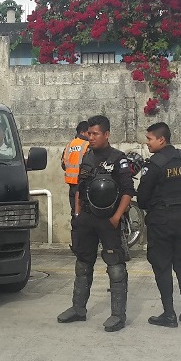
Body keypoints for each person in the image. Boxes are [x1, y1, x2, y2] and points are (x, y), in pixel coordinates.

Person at [57, 114, 135, 332]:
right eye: (89, 133)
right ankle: (78, 309)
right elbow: (79, 189)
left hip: (108, 220)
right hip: (87, 220)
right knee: (83, 263)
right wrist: (78, 214)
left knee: (115, 267)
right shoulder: (87, 157)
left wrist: (117, 217)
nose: (90, 137)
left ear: (106, 134)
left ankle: (118, 315)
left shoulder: (118, 158)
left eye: (95, 134)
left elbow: (128, 191)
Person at [136, 122, 181, 327]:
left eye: (149, 139)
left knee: (162, 266)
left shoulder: (154, 165)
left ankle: (169, 314)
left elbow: (143, 200)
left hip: (161, 221)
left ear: (161, 139)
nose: (147, 143)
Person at [61, 121, 90, 211]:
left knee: (74, 210)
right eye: (89, 133)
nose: (91, 136)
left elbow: (63, 164)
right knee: (85, 211)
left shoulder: (69, 145)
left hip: (71, 184)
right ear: (82, 132)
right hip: (83, 184)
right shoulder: (87, 144)